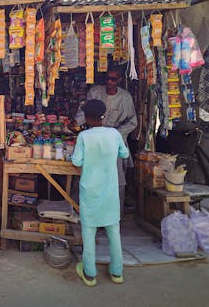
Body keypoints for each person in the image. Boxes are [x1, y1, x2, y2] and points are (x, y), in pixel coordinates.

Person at [72, 99, 129, 286]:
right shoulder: (114, 134)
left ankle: (90, 274)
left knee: (89, 232)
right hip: (110, 191)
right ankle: (117, 273)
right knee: (114, 232)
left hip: (90, 191)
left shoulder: (84, 137)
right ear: (104, 116)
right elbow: (124, 154)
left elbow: (77, 162)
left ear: (86, 118)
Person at [73, 70, 137, 215]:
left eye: (113, 79)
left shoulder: (125, 97)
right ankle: (91, 212)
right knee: (94, 179)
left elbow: (132, 122)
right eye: (107, 79)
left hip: (115, 140)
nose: (109, 82)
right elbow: (85, 111)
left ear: (119, 80)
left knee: (116, 180)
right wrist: (76, 122)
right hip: (95, 140)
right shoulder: (95, 92)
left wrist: (115, 134)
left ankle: (114, 213)